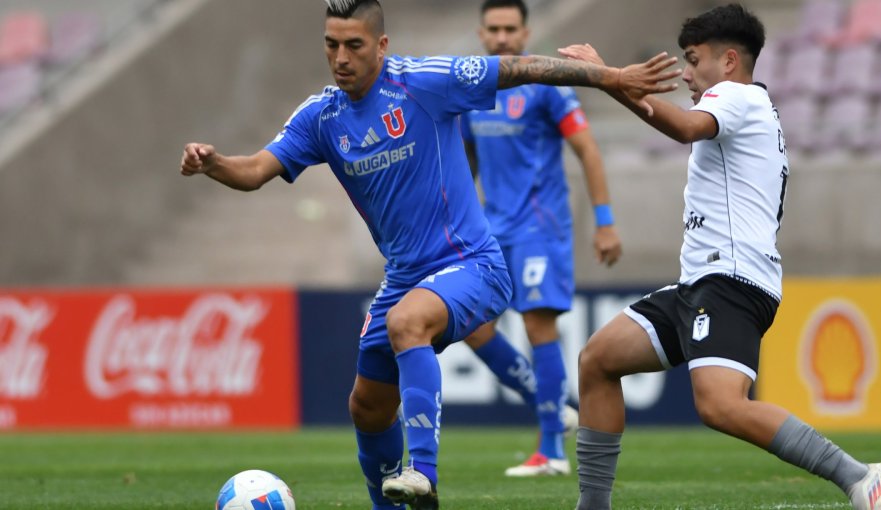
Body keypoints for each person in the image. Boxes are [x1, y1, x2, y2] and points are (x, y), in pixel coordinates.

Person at [180, 1, 678, 508]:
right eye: (332, 45)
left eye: (354, 45)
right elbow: (255, 170)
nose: (341, 57)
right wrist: (214, 163)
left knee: (407, 323)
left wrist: (611, 76)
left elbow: (519, 68)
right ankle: (390, 504)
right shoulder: (320, 117)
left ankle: (425, 471)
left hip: (474, 264)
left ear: (382, 45)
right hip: (403, 277)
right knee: (367, 408)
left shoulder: (426, 81)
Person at [558, 4, 881, 510]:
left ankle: (857, 475)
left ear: (730, 60)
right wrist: (614, 82)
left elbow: (685, 128)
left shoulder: (734, 97)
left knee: (719, 405)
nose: (687, 74)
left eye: (693, 61)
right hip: (702, 281)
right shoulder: (750, 106)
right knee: (599, 360)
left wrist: (608, 78)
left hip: (731, 280)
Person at [459, 0, 622, 478]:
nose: (503, 37)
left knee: (537, 325)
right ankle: (548, 405)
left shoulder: (547, 86)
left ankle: (551, 450)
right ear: (482, 33)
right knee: (467, 322)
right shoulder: (473, 91)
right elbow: (468, 161)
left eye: (511, 28)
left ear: (526, 32)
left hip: (540, 226)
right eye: (494, 29)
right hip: (491, 229)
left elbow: (587, 149)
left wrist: (605, 221)